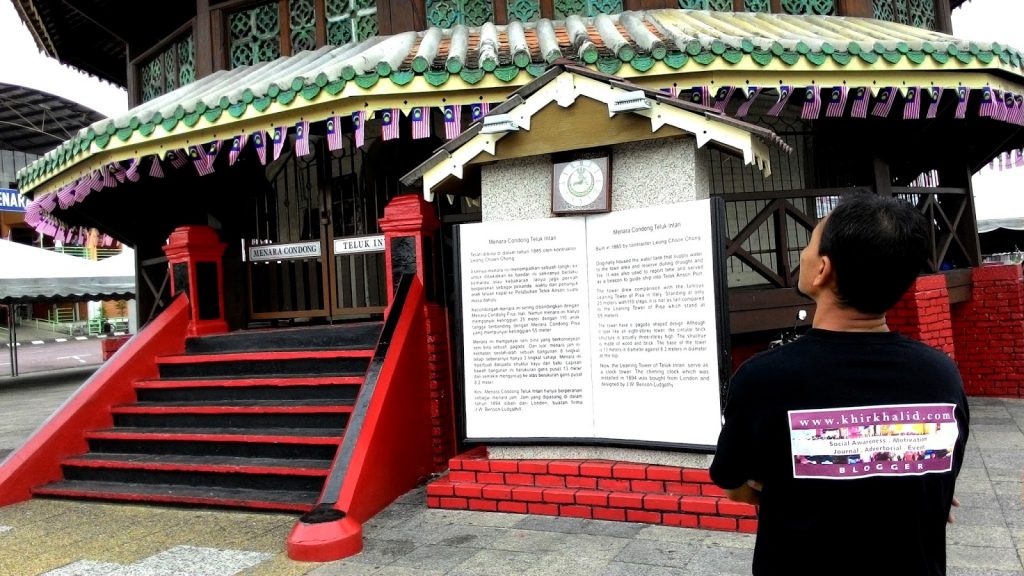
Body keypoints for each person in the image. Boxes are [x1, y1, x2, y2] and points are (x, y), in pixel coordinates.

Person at [710, 192, 970, 576]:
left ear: (822, 270)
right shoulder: (940, 375)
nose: (803, 251)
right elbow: (939, 487)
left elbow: (734, 483)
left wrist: (793, 493)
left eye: (811, 241)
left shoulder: (764, 378)